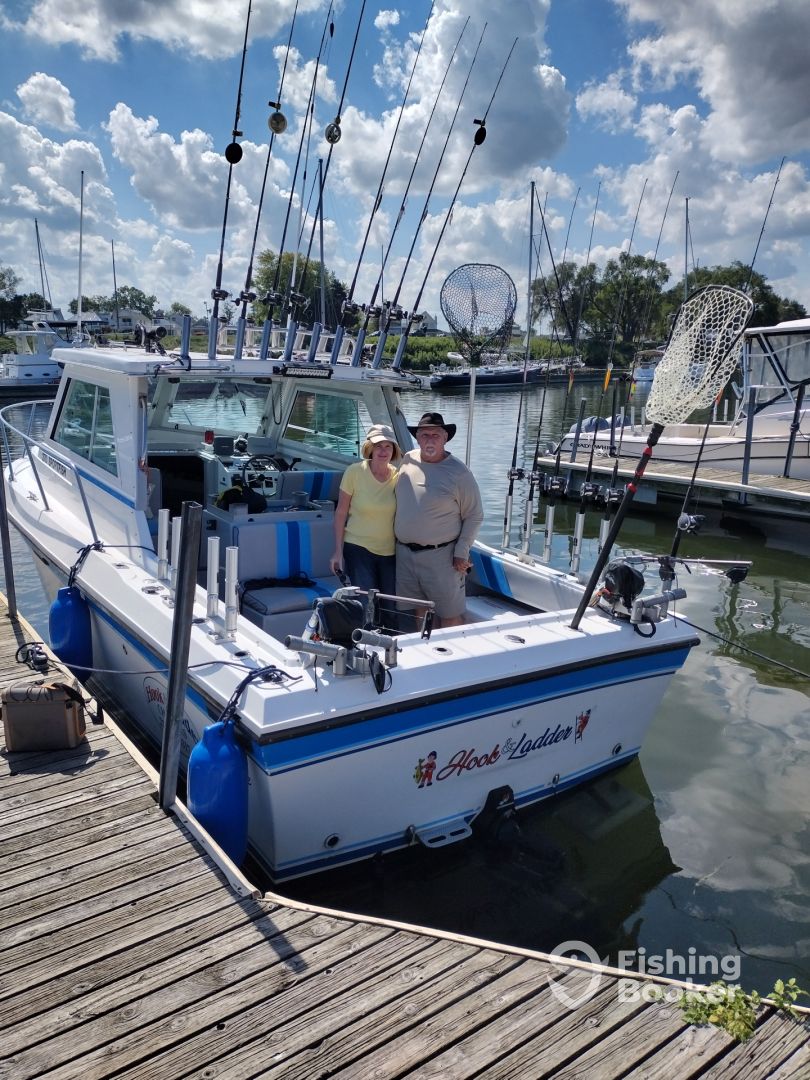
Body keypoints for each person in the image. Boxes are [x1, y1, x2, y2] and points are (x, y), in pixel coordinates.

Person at [395, 411, 483, 628]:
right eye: (425, 435)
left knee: (450, 614)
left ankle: (452, 651)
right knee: (419, 609)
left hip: (442, 557)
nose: (430, 440)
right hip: (405, 555)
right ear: (417, 438)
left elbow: (474, 515)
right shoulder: (407, 459)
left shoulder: (460, 473)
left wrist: (461, 552)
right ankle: (425, 648)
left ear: (445, 438)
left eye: (436, 435)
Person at [330, 423, 400, 593]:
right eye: (378, 446)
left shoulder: (398, 476)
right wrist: (338, 552)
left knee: (390, 604)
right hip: (358, 547)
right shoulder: (354, 472)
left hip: (390, 551)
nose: (383, 451)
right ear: (370, 448)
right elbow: (341, 513)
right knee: (365, 602)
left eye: (388, 446)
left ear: (393, 450)